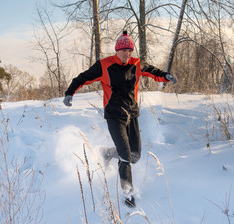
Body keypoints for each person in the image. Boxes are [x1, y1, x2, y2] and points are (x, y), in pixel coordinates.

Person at [63, 31, 177, 208]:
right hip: (114, 116)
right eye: (124, 50)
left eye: (130, 50)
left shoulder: (136, 64)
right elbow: (83, 78)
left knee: (135, 156)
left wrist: (166, 76)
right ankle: (128, 193)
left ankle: (108, 152)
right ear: (117, 50)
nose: (127, 53)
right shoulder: (104, 65)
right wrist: (70, 92)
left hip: (132, 114)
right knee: (125, 156)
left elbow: (153, 72)